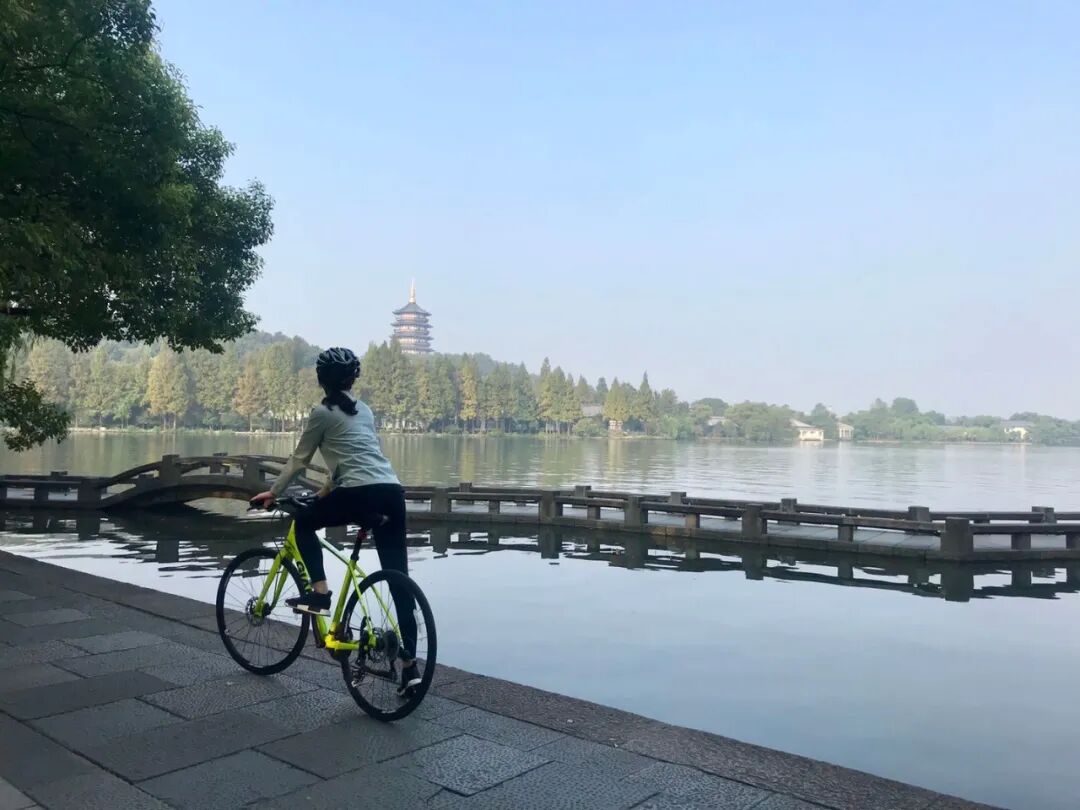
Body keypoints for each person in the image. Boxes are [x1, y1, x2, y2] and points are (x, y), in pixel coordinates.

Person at [250, 346, 419, 694]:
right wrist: (323, 494)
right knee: (399, 580)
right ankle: (410, 668)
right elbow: (351, 462)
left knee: (303, 523)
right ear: (352, 380)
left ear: (321, 380)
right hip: (391, 492)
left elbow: (299, 460)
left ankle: (321, 594)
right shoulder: (365, 411)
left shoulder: (321, 413)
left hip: (358, 493)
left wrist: (273, 492)